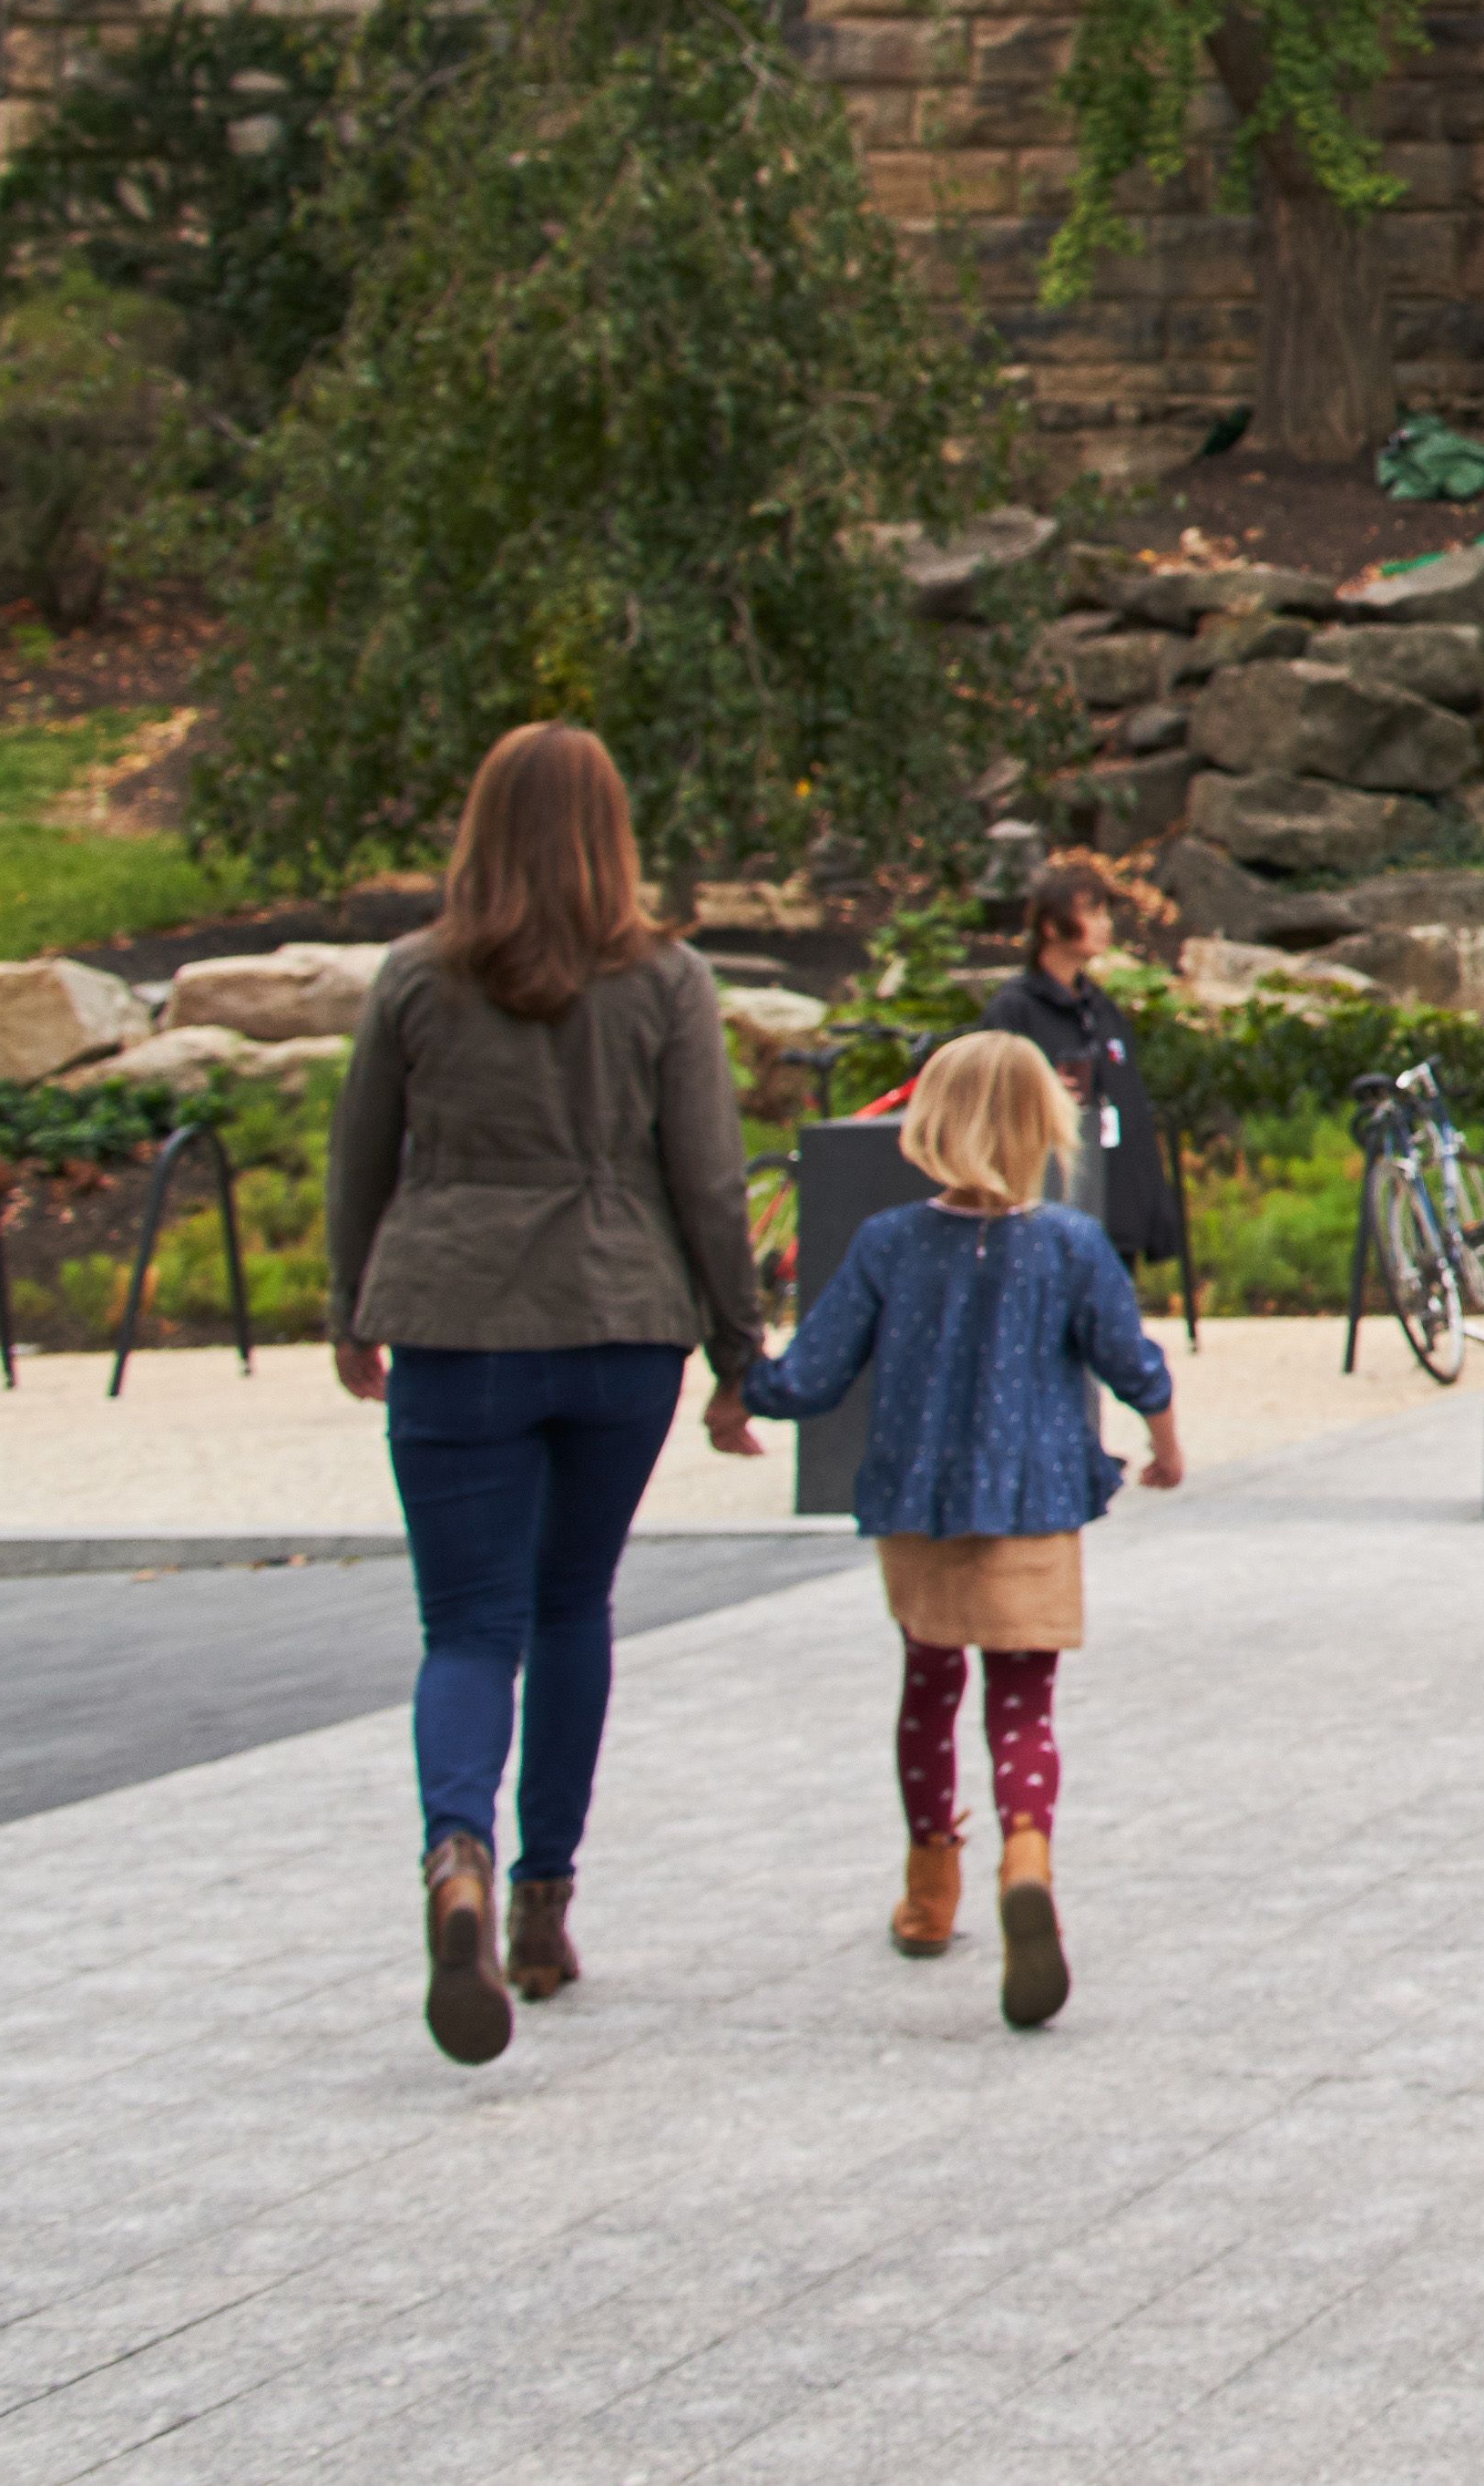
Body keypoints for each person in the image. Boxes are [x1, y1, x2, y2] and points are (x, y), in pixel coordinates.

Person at [323, 718, 772, 2069]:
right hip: (622, 1322)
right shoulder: (667, 980)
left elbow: (361, 1152)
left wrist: (352, 1310)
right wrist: (738, 1351)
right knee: (573, 1603)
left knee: (467, 1623)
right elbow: (707, 1173)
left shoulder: (414, 976)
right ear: (612, 833)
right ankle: (542, 1904)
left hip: (455, 1320)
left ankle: (453, 1849)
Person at [739, 1030, 1185, 2028]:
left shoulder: (889, 1243)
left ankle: (929, 1889)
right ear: (1045, 1126)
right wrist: (1165, 1437)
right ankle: (1025, 1853)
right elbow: (1127, 1352)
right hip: (1033, 1497)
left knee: (929, 1690)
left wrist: (741, 1389)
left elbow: (813, 1376)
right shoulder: (1069, 1243)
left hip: (920, 1501)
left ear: (929, 1124)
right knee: (1023, 1703)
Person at [978, 848, 1182, 1292]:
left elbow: (1131, 1108)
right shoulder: (1013, 1009)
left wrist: (1153, 1207)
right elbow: (991, 1099)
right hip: (1046, 1198)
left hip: (1114, 1198)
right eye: (1092, 913)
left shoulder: (1101, 1009)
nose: (1106, 924)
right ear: (1052, 927)